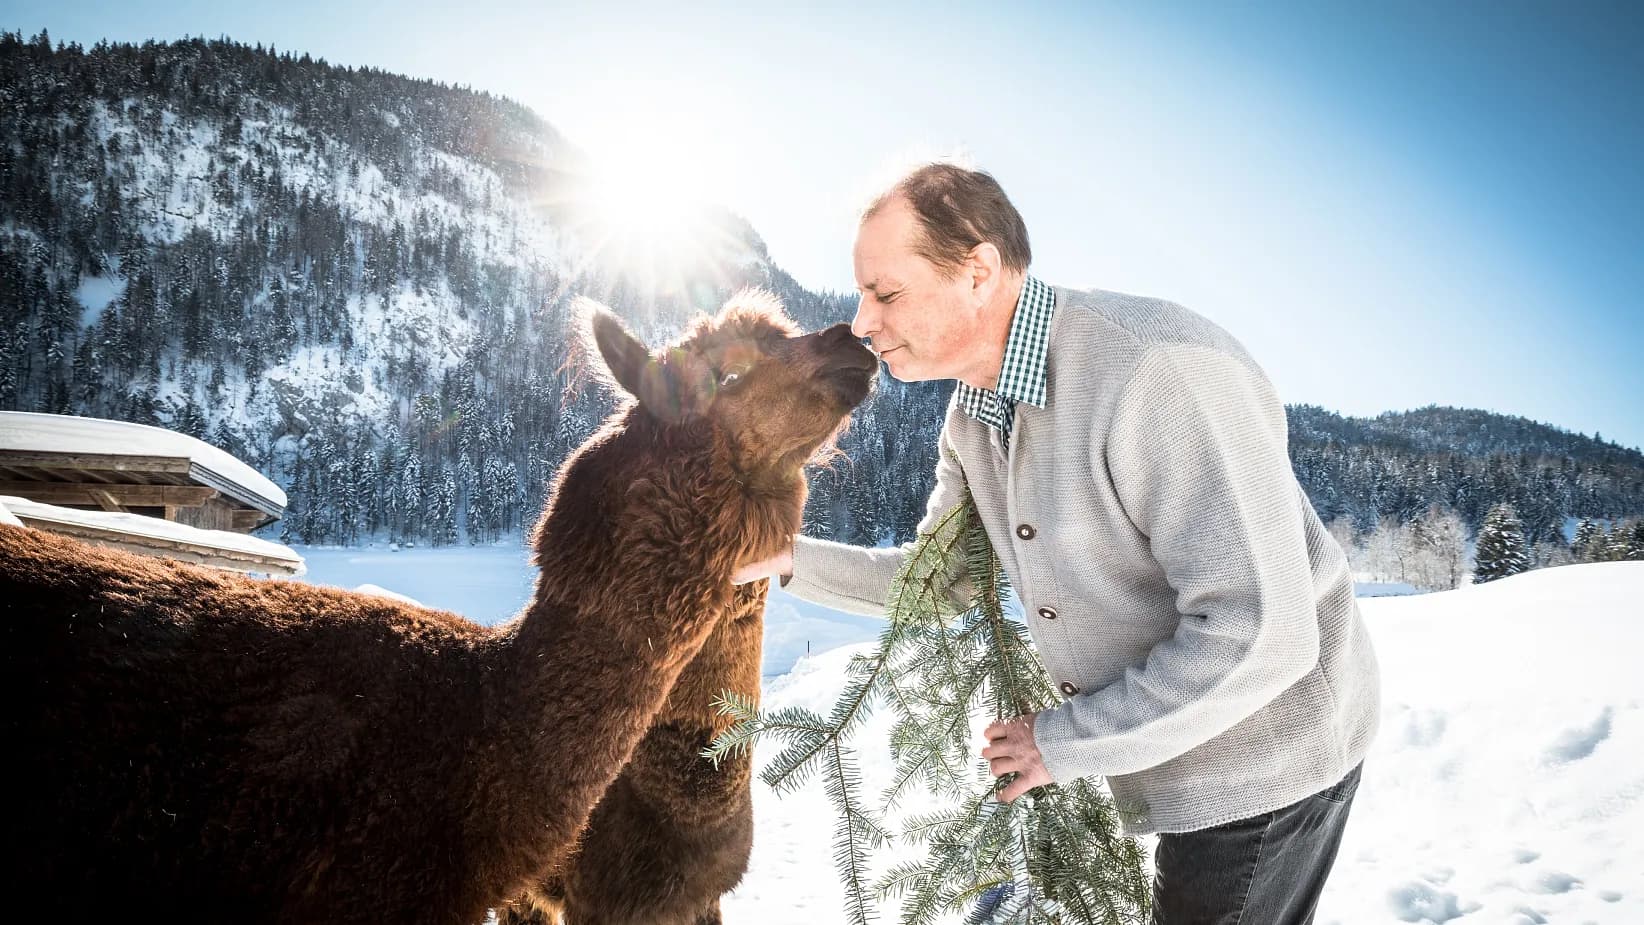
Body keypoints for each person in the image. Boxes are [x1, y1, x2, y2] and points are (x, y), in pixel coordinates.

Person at [733, 162, 1381, 923]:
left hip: (1266, 760)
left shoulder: (1154, 374)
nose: (863, 321)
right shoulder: (972, 419)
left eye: (887, 293)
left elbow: (1260, 631)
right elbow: (940, 579)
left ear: (978, 270)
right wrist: (786, 555)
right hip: (1171, 751)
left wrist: (1063, 741)